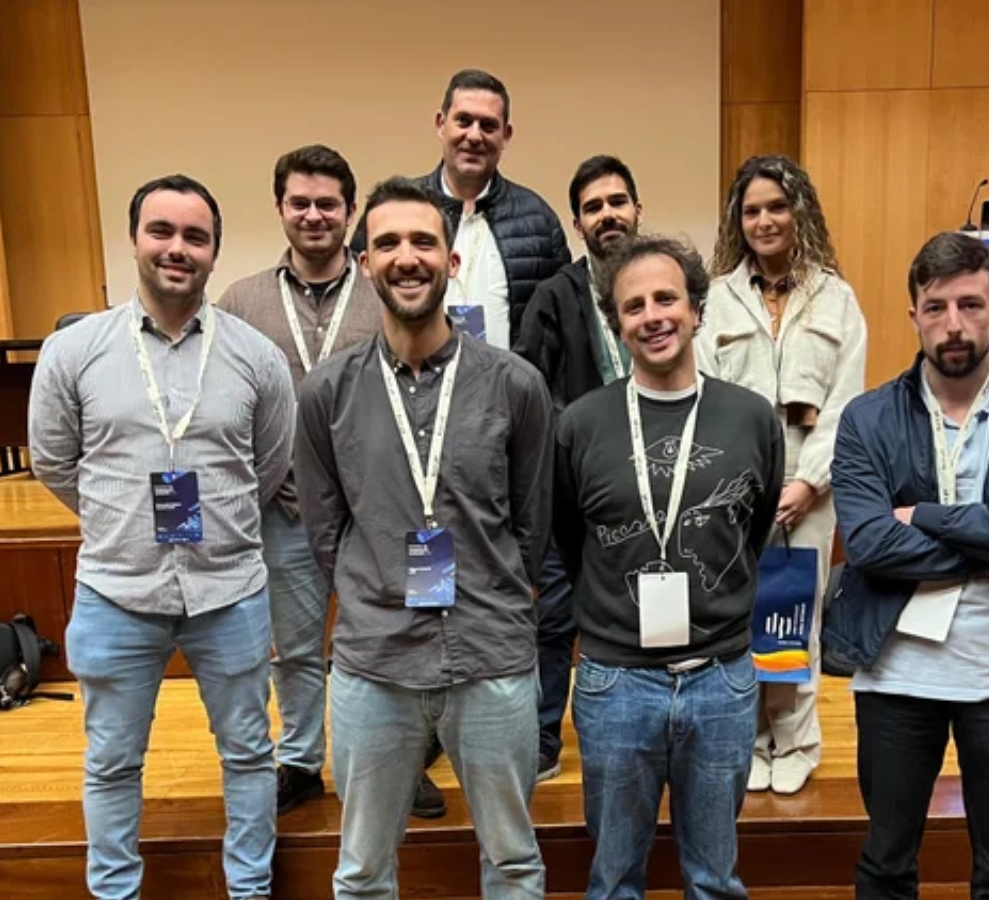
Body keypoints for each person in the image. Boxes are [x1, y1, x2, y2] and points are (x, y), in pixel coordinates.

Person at [29, 174, 294, 900]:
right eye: (162, 231)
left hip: (229, 592)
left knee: (249, 754)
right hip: (117, 591)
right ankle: (116, 892)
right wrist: (118, 519)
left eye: (195, 237)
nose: (178, 248)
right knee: (112, 762)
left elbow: (269, 465)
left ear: (214, 252)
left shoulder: (257, 357)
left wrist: (223, 523)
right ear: (134, 239)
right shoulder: (74, 351)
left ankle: (250, 889)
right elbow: (52, 460)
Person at [294, 176, 554, 900]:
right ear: (364, 264)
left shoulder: (515, 385)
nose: (406, 257)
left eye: (422, 242)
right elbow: (324, 529)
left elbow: (531, 525)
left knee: (513, 861)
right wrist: (374, 591)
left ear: (451, 259)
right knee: (362, 871)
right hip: (375, 662)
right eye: (387, 244)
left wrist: (492, 590)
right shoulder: (327, 393)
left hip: (492, 656)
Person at [826, 230, 989, 899]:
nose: (953, 324)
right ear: (913, 315)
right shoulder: (867, 419)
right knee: (886, 863)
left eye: (970, 305)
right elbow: (869, 543)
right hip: (897, 671)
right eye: (936, 307)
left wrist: (925, 515)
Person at [553, 234, 784, 900]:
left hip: (721, 678)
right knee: (613, 880)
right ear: (615, 322)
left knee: (714, 880)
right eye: (634, 306)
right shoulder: (581, 424)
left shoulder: (751, 418)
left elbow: (752, 529)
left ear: (696, 309)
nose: (652, 316)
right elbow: (569, 539)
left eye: (666, 299)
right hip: (616, 682)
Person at [215, 144, 382, 815]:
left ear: (351, 210)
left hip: (374, 510)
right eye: (300, 203)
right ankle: (302, 760)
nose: (314, 216)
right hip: (284, 507)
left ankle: (397, 759)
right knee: (294, 647)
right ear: (280, 207)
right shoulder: (241, 300)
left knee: (389, 643)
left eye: (328, 204)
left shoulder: (382, 293)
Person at [698, 154, 868, 796]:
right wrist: (742, 488)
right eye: (752, 211)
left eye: (776, 206)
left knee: (796, 618)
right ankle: (747, 740)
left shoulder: (837, 298)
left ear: (800, 212)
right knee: (740, 618)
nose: (764, 220)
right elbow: (707, 397)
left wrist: (808, 483)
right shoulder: (717, 299)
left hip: (809, 489)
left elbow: (846, 401)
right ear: (736, 221)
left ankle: (795, 740)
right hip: (735, 491)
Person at [514, 154, 643, 781]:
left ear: (638, 210)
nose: (607, 215)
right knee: (556, 618)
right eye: (593, 207)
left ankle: (638, 726)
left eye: (617, 202)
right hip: (570, 489)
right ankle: (543, 734)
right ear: (577, 224)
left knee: (640, 609)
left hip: (652, 484)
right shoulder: (554, 297)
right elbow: (529, 393)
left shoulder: (661, 289)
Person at [354, 67, 569, 352]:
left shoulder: (539, 222)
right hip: (407, 376)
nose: (474, 136)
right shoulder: (393, 212)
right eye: (463, 121)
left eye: (488, 125)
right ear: (441, 124)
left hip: (509, 380)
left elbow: (561, 325)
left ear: (506, 135)